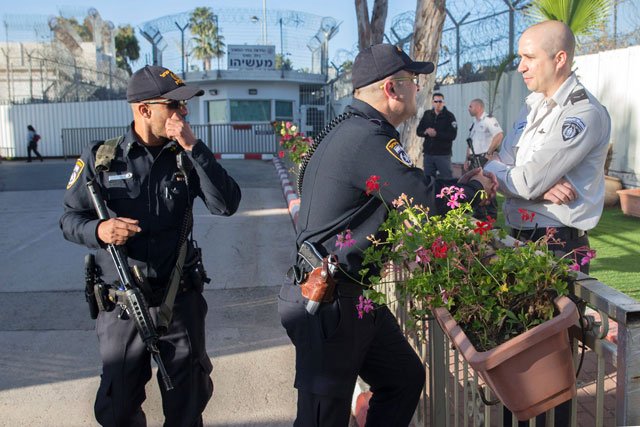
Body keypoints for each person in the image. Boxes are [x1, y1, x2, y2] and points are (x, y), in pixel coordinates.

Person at [277, 44, 496, 427]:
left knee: (403, 377)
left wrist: (456, 184)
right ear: (392, 89)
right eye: (413, 80)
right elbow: (425, 200)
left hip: (348, 296)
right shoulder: (368, 137)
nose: (418, 88)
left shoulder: (357, 130)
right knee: (320, 420)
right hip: (330, 301)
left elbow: (412, 186)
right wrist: (477, 189)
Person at [60, 65, 241, 426]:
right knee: (117, 406)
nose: (183, 113)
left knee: (187, 405)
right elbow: (69, 220)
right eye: (174, 106)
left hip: (180, 300)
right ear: (144, 110)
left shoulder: (186, 156)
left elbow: (226, 204)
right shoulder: (103, 159)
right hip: (122, 305)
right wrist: (101, 230)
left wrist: (194, 147)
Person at [483, 20, 611, 426]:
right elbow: (509, 172)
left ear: (560, 59)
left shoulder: (583, 113)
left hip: (555, 247)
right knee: (513, 363)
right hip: (519, 241)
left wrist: (516, 178)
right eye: (520, 56)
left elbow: (520, 177)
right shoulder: (531, 106)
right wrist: (521, 180)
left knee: (544, 376)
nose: (520, 66)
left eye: (528, 57)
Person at [465, 99, 503, 220]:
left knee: (487, 187)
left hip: (483, 159)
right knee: (476, 188)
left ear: (479, 107)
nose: (468, 108)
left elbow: (499, 135)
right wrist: (466, 159)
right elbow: (470, 142)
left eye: (471, 106)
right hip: (473, 159)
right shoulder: (474, 122)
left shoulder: (488, 120)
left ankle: (491, 216)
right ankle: (479, 215)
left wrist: (489, 152)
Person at [416, 92, 458, 179]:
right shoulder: (427, 114)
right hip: (428, 155)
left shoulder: (449, 116)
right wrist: (426, 132)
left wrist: (437, 134)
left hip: (443, 155)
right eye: (436, 101)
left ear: (444, 102)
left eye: (440, 101)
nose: (438, 104)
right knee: (428, 181)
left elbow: (452, 135)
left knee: (447, 180)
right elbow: (418, 131)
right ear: (432, 102)